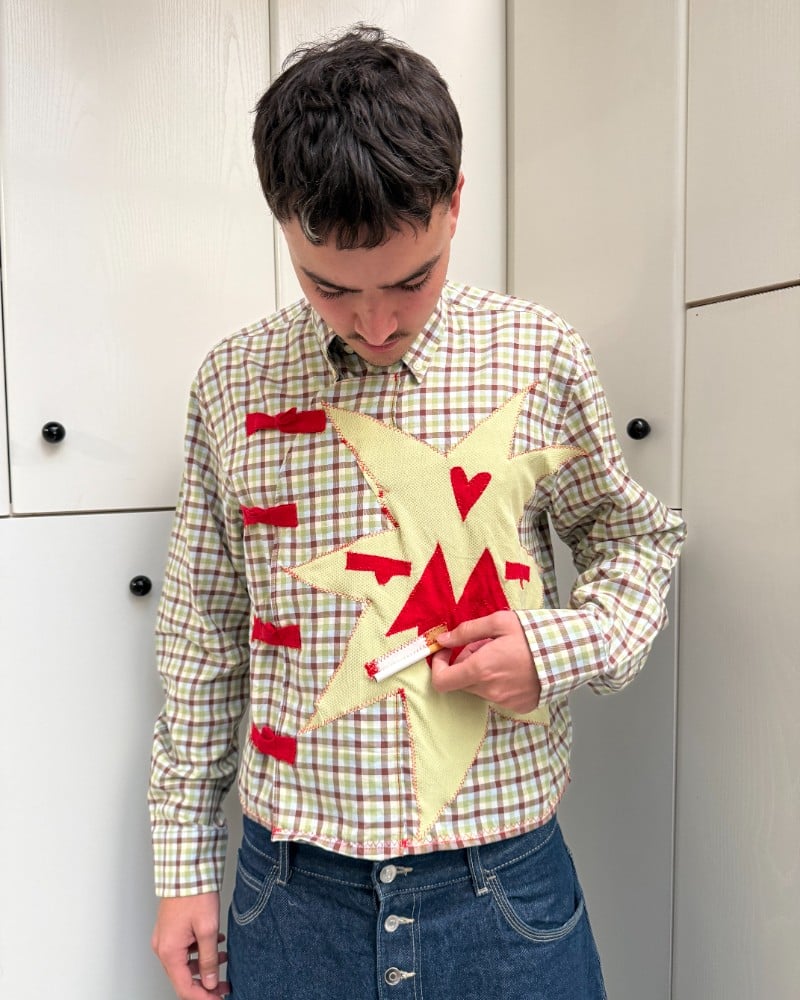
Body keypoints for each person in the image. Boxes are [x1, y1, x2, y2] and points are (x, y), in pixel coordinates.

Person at [149, 24, 685, 1000]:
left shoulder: (538, 354)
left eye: (411, 279)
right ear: (281, 223)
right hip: (290, 897)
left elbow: (635, 538)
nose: (376, 322)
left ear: (454, 203)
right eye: (328, 287)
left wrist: (554, 649)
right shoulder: (230, 382)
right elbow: (201, 628)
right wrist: (183, 864)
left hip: (502, 891)